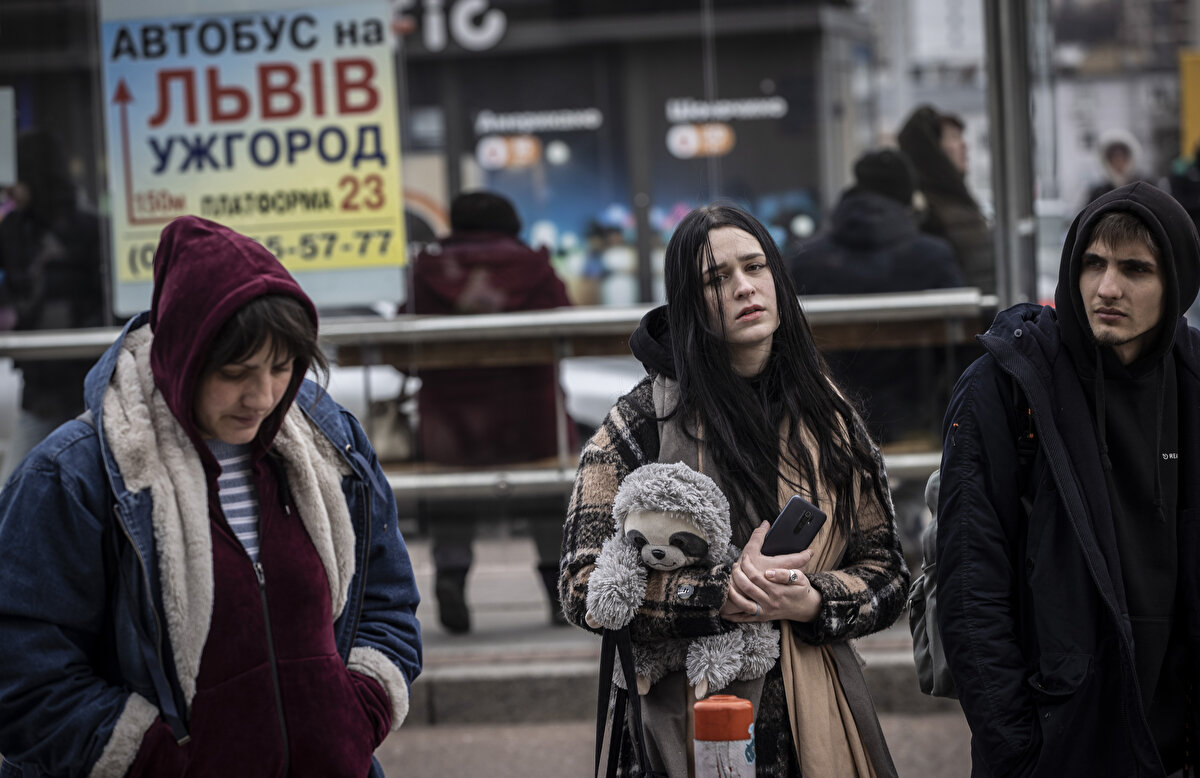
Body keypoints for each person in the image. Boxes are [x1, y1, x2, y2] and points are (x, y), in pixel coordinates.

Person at [0, 215, 423, 776]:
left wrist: (356, 713)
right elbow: (25, 672)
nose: (262, 396)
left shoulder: (331, 440)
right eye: (235, 372)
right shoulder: (74, 475)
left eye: (282, 367)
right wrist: (153, 761)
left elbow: (386, 599)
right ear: (182, 357)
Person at [560, 203, 909, 776]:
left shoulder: (829, 416)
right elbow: (582, 587)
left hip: (813, 720)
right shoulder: (641, 421)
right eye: (716, 278)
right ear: (688, 303)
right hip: (681, 726)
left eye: (754, 266)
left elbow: (888, 572)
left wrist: (814, 599)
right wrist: (717, 594)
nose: (744, 287)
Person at [936, 182, 1200, 776]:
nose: (1107, 288)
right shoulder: (1006, 386)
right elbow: (971, 588)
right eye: (1093, 263)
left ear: (1177, 282)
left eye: (1136, 269)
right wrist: (1019, 749)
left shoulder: (1192, 381)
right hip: (1054, 745)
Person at [406, 190, 575, 633]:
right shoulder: (535, 267)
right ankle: (558, 593)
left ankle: (451, 578)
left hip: (450, 421)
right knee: (545, 499)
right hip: (530, 415)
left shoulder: (428, 271)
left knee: (452, 499)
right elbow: (569, 329)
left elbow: (404, 353)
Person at [788, 147, 964, 562]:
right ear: (906, 198)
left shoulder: (806, 258)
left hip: (827, 426)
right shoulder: (932, 257)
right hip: (913, 423)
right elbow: (962, 350)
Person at [0, 129, 106, 482]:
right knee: (15, 487)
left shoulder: (87, 228)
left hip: (84, 383)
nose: (9, 189)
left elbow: (103, 302)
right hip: (39, 388)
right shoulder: (14, 229)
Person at [897, 104, 994, 293]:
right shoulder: (924, 211)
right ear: (932, 150)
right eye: (953, 138)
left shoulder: (956, 200)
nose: (964, 145)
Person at [1086, 129, 1152, 206]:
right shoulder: (1098, 194)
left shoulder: (1146, 187)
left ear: (1130, 157)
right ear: (1107, 161)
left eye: (1122, 156)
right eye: (1114, 157)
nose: (1119, 161)